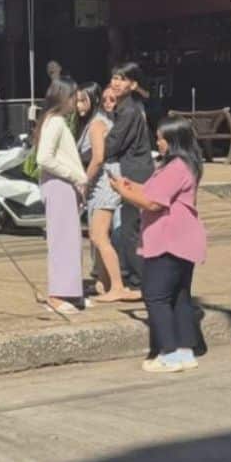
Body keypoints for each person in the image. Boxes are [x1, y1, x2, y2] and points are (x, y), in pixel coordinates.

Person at [111, 116, 207, 373]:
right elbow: (155, 191)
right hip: (182, 239)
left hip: (169, 240)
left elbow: (153, 203)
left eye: (161, 138)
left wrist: (124, 193)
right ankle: (185, 350)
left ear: (174, 141)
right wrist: (133, 186)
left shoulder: (176, 166)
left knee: (156, 295)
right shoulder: (185, 165)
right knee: (179, 295)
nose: (158, 142)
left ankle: (170, 353)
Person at [77, 84, 137, 302]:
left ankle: (117, 286)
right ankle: (104, 283)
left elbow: (98, 157)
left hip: (102, 183)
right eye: (77, 100)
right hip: (103, 183)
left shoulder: (96, 124)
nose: (78, 105)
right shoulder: (96, 123)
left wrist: (83, 181)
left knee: (99, 236)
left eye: (82, 100)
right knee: (99, 236)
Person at [34, 78, 88, 315]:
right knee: (62, 241)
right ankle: (56, 296)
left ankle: (71, 292)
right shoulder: (55, 122)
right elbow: (43, 159)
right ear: (63, 97)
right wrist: (74, 175)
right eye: (73, 96)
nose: (76, 101)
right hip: (60, 184)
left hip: (61, 184)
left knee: (69, 240)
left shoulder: (52, 121)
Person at [103, 62, 154, 290]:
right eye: (114, 77)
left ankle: (141, 279)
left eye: (122, 79)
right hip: (135, 169)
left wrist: (85, 153)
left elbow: (112, 144)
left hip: (134, 172)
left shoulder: (130, 110)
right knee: (129, 228)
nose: (116, 82)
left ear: (133, 84)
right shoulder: (125, 107)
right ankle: (134, 274)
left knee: (130, 229)